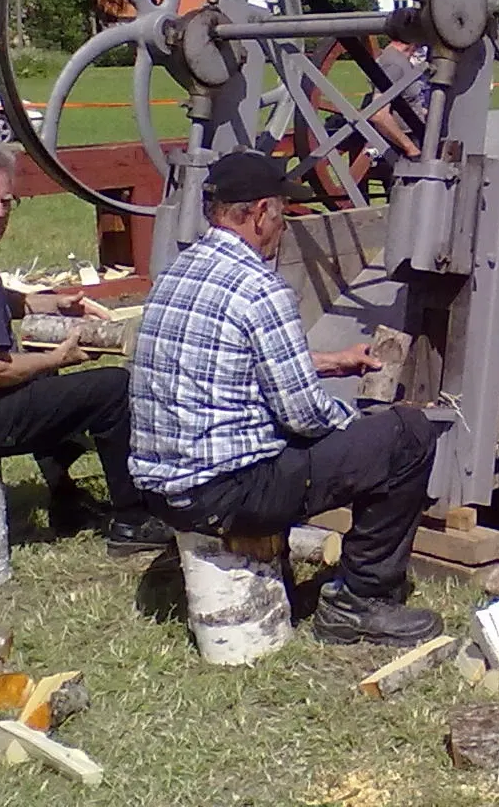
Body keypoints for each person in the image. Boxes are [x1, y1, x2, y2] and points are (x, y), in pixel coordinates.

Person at [128, 150, 444, 647]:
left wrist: (329, 360)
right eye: (281, 213)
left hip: (159, 490)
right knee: (409, 436)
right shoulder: (260, 287)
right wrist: (362, 422)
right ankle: (360, 602)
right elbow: (305, 416)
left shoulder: (179, 270)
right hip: (226, 491)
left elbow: (228, 360)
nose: (282, 225)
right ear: (258, 213)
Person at [0, 140, 170, 554]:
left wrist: (50, 303)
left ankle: (65, 498)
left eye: (6, 202)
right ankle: (132, 521)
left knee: (48, 381)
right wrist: (57, 356)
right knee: (112, 389)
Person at [368, 38, 431, 161]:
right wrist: (411, 149)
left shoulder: (399, 59)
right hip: (406, 144)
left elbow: (405, 101)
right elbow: (378, 114)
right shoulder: (394, 63)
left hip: (416, 136)